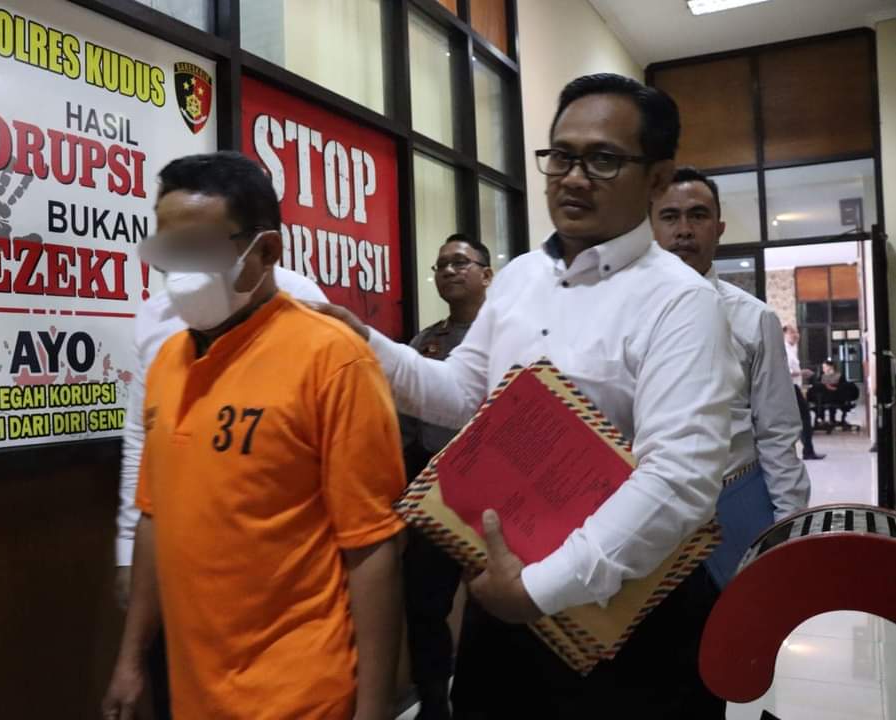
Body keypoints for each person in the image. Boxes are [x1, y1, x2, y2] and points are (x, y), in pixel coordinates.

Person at [313, 74, 739, 718]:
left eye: (602, 160)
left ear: (657, 178)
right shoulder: (518, 278)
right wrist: (366, 342)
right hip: (505, 598)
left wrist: (539, 588)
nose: (573, 178)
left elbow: (678, 480)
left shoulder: (681, 301)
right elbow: (462, 394)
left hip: (623, 619)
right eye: (561, 156)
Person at [103, 151, 406, 720]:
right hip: (194, 691)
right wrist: (131, 660)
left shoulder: (332, 360)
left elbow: (371, 550)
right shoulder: (168, 362)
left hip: (301, 692)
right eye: (171, 252)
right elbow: (153, 516)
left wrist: (373, 709)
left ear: (266, 252)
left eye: (202, 251)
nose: (182, 274)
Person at [113, 226, 328, 716]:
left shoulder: (301, 300)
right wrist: (128, 550)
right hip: (179, 569)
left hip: (278, 578)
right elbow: (141, 438)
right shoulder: (156, 317)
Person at [651, 166, 810, 586]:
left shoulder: (754, 319)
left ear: (718, 228)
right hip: (647, 517)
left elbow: (777, 433)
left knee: (740, 621)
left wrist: (788, 529)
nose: (684, 230)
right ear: (651, 228)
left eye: (698, 215)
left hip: (734, 506)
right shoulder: (624, 318)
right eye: (670, 216)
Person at [400, 234, 492, 720]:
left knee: (494, 602)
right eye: (441, 266)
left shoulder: (507, 334)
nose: (449, 271)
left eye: (460, 262)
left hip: (496, 492)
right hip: (435, 490)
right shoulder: (425, 343)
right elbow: (406, 423)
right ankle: (434, 703)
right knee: (424, 601)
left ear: (487, 274)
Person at [784, 325, 825, 460]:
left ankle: (807, 449)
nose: (796, 335)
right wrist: (801, 372)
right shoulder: (784, 350)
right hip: (790, 388)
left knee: (802, 419)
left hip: (795, 387)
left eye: (797, 332)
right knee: (804, 418)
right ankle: (807, 450)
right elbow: (786, 371)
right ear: (784, 334)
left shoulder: (792, 349)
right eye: (792, 333)